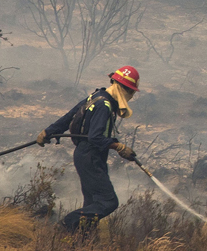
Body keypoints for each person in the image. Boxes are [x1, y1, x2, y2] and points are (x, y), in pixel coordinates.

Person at [36, 65, 140, 233]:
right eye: (131, 92)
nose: (131, 96)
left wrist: (49, 131)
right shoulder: (105, 106)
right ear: (124, 89)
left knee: (92, 203)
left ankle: (82, 240)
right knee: (108, 202)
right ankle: (67, 224)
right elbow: (95, 137)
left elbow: (70, 115)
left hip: (85, 155)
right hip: (91, 157)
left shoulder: (97, 96)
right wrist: (119, 147)